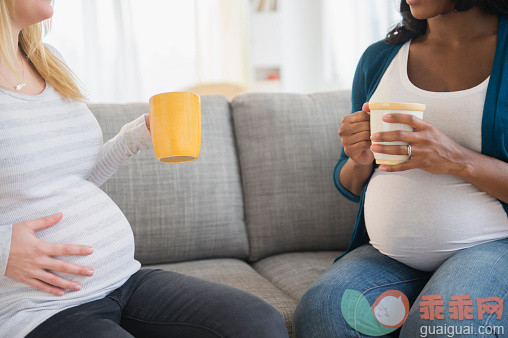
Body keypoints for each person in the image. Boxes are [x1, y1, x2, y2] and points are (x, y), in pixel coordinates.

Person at [0, 1, 288, 337]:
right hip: (40, 309)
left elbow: (74, 181)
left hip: (124, 280)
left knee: (258, 324)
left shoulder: (47, 60)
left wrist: (136, 136)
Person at [294, 0, 508, 337]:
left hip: (492, 248)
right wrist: (358, 158)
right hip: (388, 256)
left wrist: (458, 160)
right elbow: (348, 182)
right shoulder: (379, 58)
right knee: (325, 312)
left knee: (442, 323)